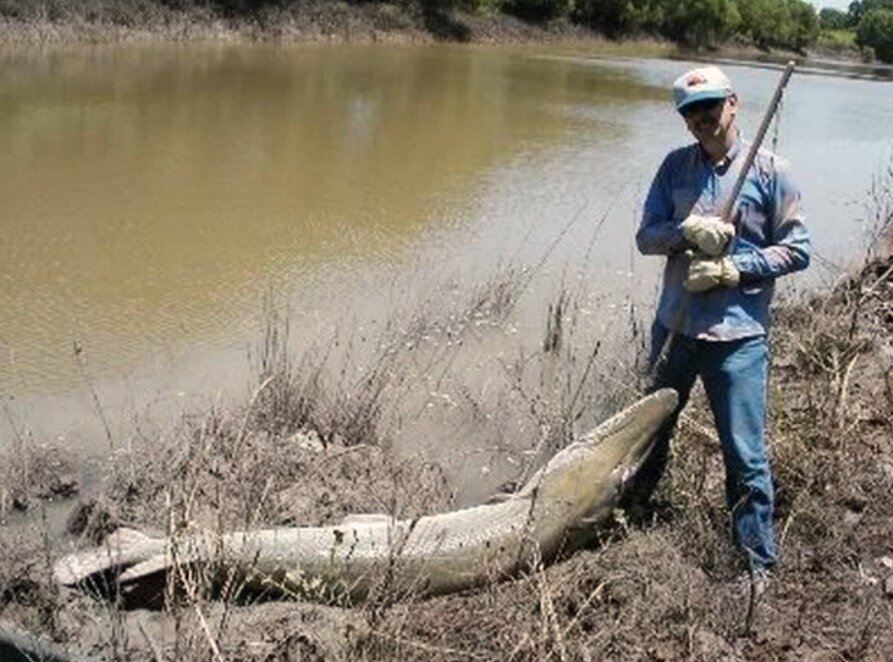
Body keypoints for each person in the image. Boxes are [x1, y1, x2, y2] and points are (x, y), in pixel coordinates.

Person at [633, 65, 811, 586]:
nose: (701, 119)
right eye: (690, 112)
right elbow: (646, 237)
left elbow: (798, 249)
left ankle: (757, 564)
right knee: (648, 433)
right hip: (674, 329)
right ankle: (632, 516)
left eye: (709, 107)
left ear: (732, 103)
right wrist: (684, 234)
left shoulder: (773, 171)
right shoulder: (673, 168)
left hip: (738, 338)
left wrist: (738, 268)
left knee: (744, 453)